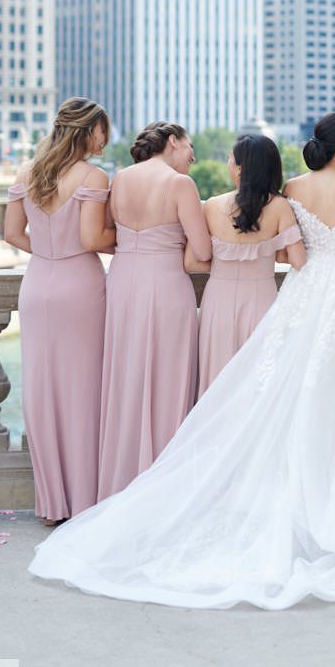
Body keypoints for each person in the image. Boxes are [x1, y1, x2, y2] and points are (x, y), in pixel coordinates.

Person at [28, 112, 335, 609]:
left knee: (285, 388)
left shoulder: (292, 188)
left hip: (303, 291)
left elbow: (277, 247)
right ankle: (334, 485)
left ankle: (281, 488)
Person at [4, 98, 113, 524]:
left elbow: (12, 234)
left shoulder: (26, 173)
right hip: (79, 284)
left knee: (42, 390)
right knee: (84, 390)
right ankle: (84, 500)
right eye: (103, 130)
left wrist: (49, 252)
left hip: (38, 285)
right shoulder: (94, 176)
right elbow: (93, 240)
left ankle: (51, 505)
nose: (106, 138)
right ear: (88, 131)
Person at [97, 121, 211, 500]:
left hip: (123, 280)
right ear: (173, 141)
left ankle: (124, 478)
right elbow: (203, 250)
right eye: (190, 146)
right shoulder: (181, 185)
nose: (193, 156)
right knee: (169, 375)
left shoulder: (120, 179)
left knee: (127, 375)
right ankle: (165, 480)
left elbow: (107, 232)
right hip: (165, 282)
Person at [187, 134, 305, 398]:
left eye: (230, 159)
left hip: (218, 299)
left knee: (218, 378)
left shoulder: (212, 206)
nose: (228, 163)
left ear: (240, 168)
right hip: (262, 300)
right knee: (257, 381)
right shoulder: (280, 207)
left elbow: (191, 261)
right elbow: (298, 261)